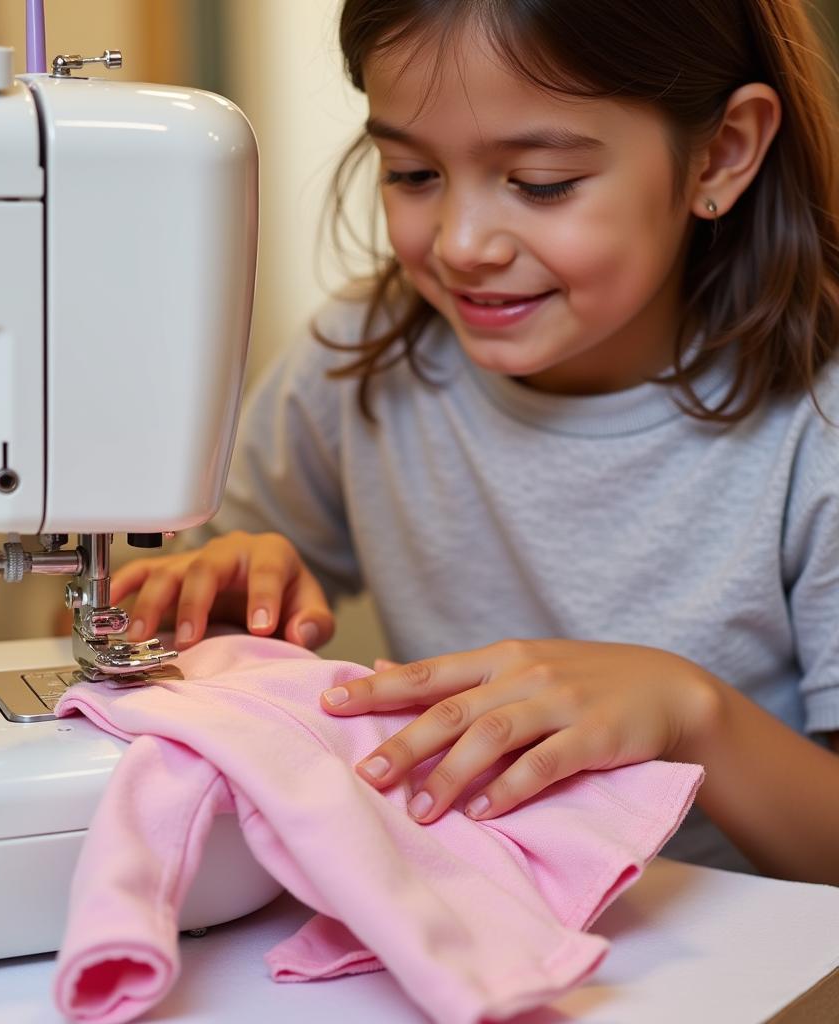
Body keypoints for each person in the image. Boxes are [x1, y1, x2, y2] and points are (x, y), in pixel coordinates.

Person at [112, 0, 839, 885]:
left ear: (722, 152)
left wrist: (696, 718)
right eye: (413, 173)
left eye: (539, 183)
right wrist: (208, 601)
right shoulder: (362, 360)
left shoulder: (816, 425)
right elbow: (121, 636)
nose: (460, 245)